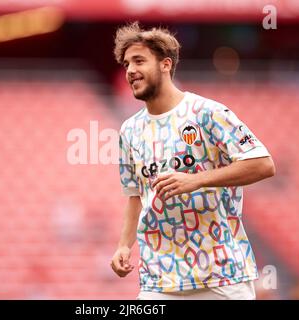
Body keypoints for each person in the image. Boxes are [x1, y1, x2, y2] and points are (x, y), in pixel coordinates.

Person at [110, 22, 276, 300]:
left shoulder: (206, 113)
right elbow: (135, 195)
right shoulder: (129, 130)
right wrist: (123, 246)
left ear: (165, 64)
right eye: (126, 64)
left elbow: (263, 164)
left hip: (221, 276)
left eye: (139, 61)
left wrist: (196, 179)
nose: (130, 70)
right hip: (159, 280)